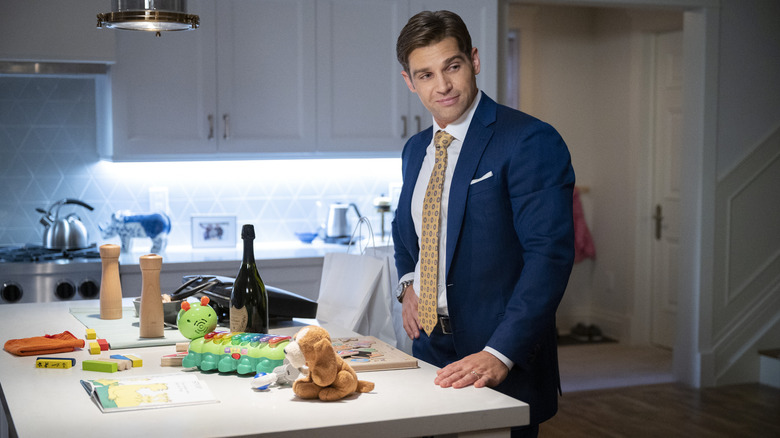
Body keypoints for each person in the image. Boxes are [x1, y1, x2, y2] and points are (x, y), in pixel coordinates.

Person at [391, 10, 575, 437]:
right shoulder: (415, 149)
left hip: (495, 352)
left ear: (473, 60)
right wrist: (406, 285)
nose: (443, 86)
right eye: (425, 75)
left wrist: (500, 352)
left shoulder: (529, 140)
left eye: (452, 66)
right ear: (409, 82)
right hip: (429, 348)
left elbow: (548, 255)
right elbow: (408, 232)